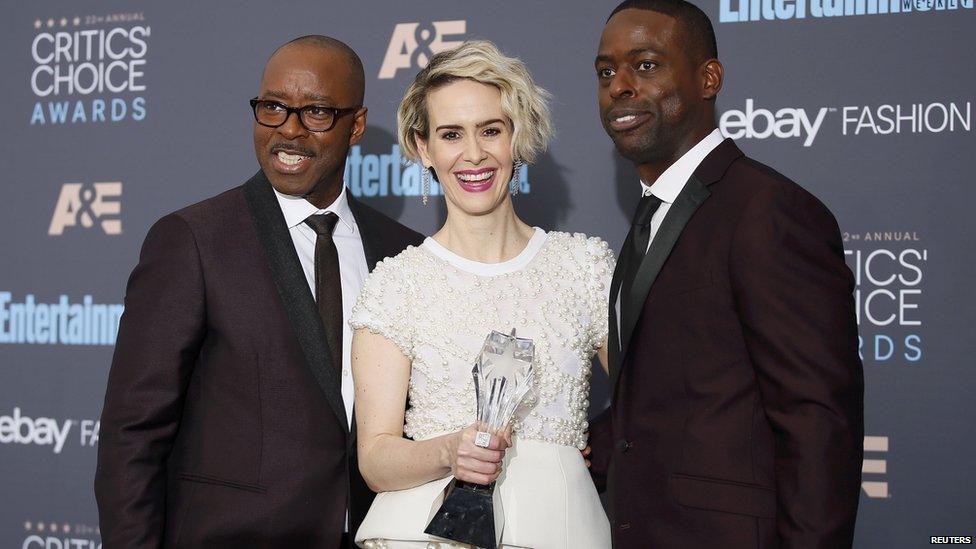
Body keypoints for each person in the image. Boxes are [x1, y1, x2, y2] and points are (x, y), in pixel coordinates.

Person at [94, 35, 422, 548]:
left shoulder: (404, 251)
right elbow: (132, 432)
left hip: (374, 534)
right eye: (272, 107)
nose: (288, 131)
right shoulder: (193, 240)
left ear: (356, 125)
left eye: (315, 112)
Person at [587, 1, 865, 548]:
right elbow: (666, 399)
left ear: (708, 78)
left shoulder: (766, 210)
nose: (619, 85)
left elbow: (817, 420)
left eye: (645, 65)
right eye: (605, 72)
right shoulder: (652, 216)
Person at [348, 40, 613, 548]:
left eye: (491, 130)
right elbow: (376, 460)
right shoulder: (397, 286)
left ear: (518, 136)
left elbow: (654, 404)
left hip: (560, 529)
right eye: (451, 135)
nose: (474, 154)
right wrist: (450, 451)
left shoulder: (584, 268)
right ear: (425, 149)